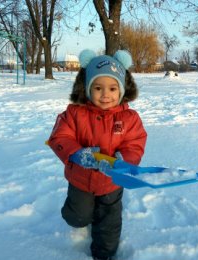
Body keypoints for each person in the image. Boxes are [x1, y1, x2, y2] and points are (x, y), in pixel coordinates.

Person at [48, 49, 147, 260]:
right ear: (87, 88)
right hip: (81, 179)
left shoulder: (129, 118)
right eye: (98, 88)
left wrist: (124, 161)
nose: (105, 95)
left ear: (121, 90)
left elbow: (135, 143)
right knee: (78, 217)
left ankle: (105, 254)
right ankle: (78, 217)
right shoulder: (74, 113)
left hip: (111, 181)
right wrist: (75, 153)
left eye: (112, 88)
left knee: (109, 222)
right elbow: (59, 137)